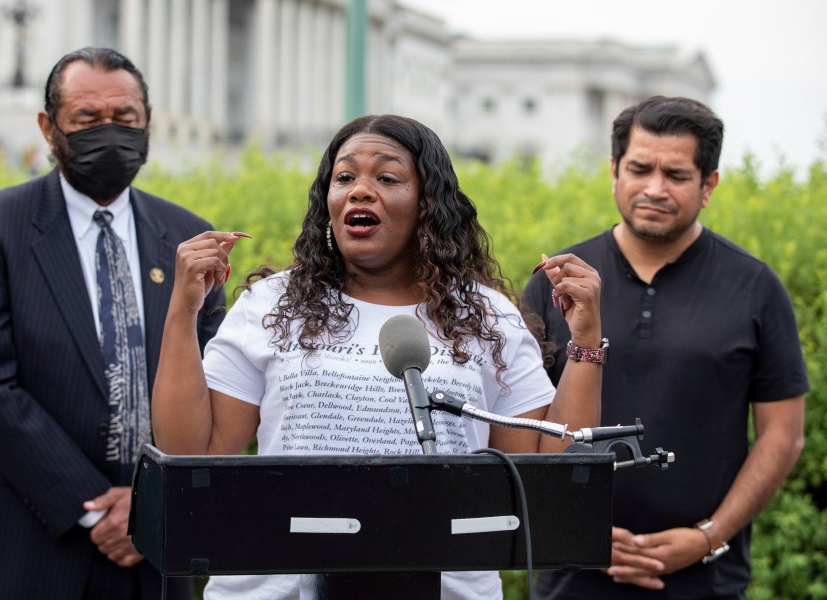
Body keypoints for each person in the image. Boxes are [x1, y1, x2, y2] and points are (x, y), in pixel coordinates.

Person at [151, 114, 605, 599]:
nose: (360, 190)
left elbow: (543, 474)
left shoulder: (487, 317)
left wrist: (586, 341)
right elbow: (191, 452)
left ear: (428, 204)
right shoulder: (272, 306)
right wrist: (183, 310)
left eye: (386, 178)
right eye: (344, 177)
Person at [0, 47, 225, 599]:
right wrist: (93, 508)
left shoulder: (187, 236)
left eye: (125, 119)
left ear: (147, 123)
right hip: (25, 532)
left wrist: (147, 501)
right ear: (50, 128)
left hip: (152, 542)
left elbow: (211, 380)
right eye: (87, 120)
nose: (110, 133)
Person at [524, 96, 808, 599]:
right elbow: (522, 434)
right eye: (639, 168)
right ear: (614, 171)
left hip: (704, 580)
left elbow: (782, 437)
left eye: (676, 175)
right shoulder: (560, 283)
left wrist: (709, 536)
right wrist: (573, 527)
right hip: (571, 576)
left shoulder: (755, 288)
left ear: (709, 184)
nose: (654, 188)